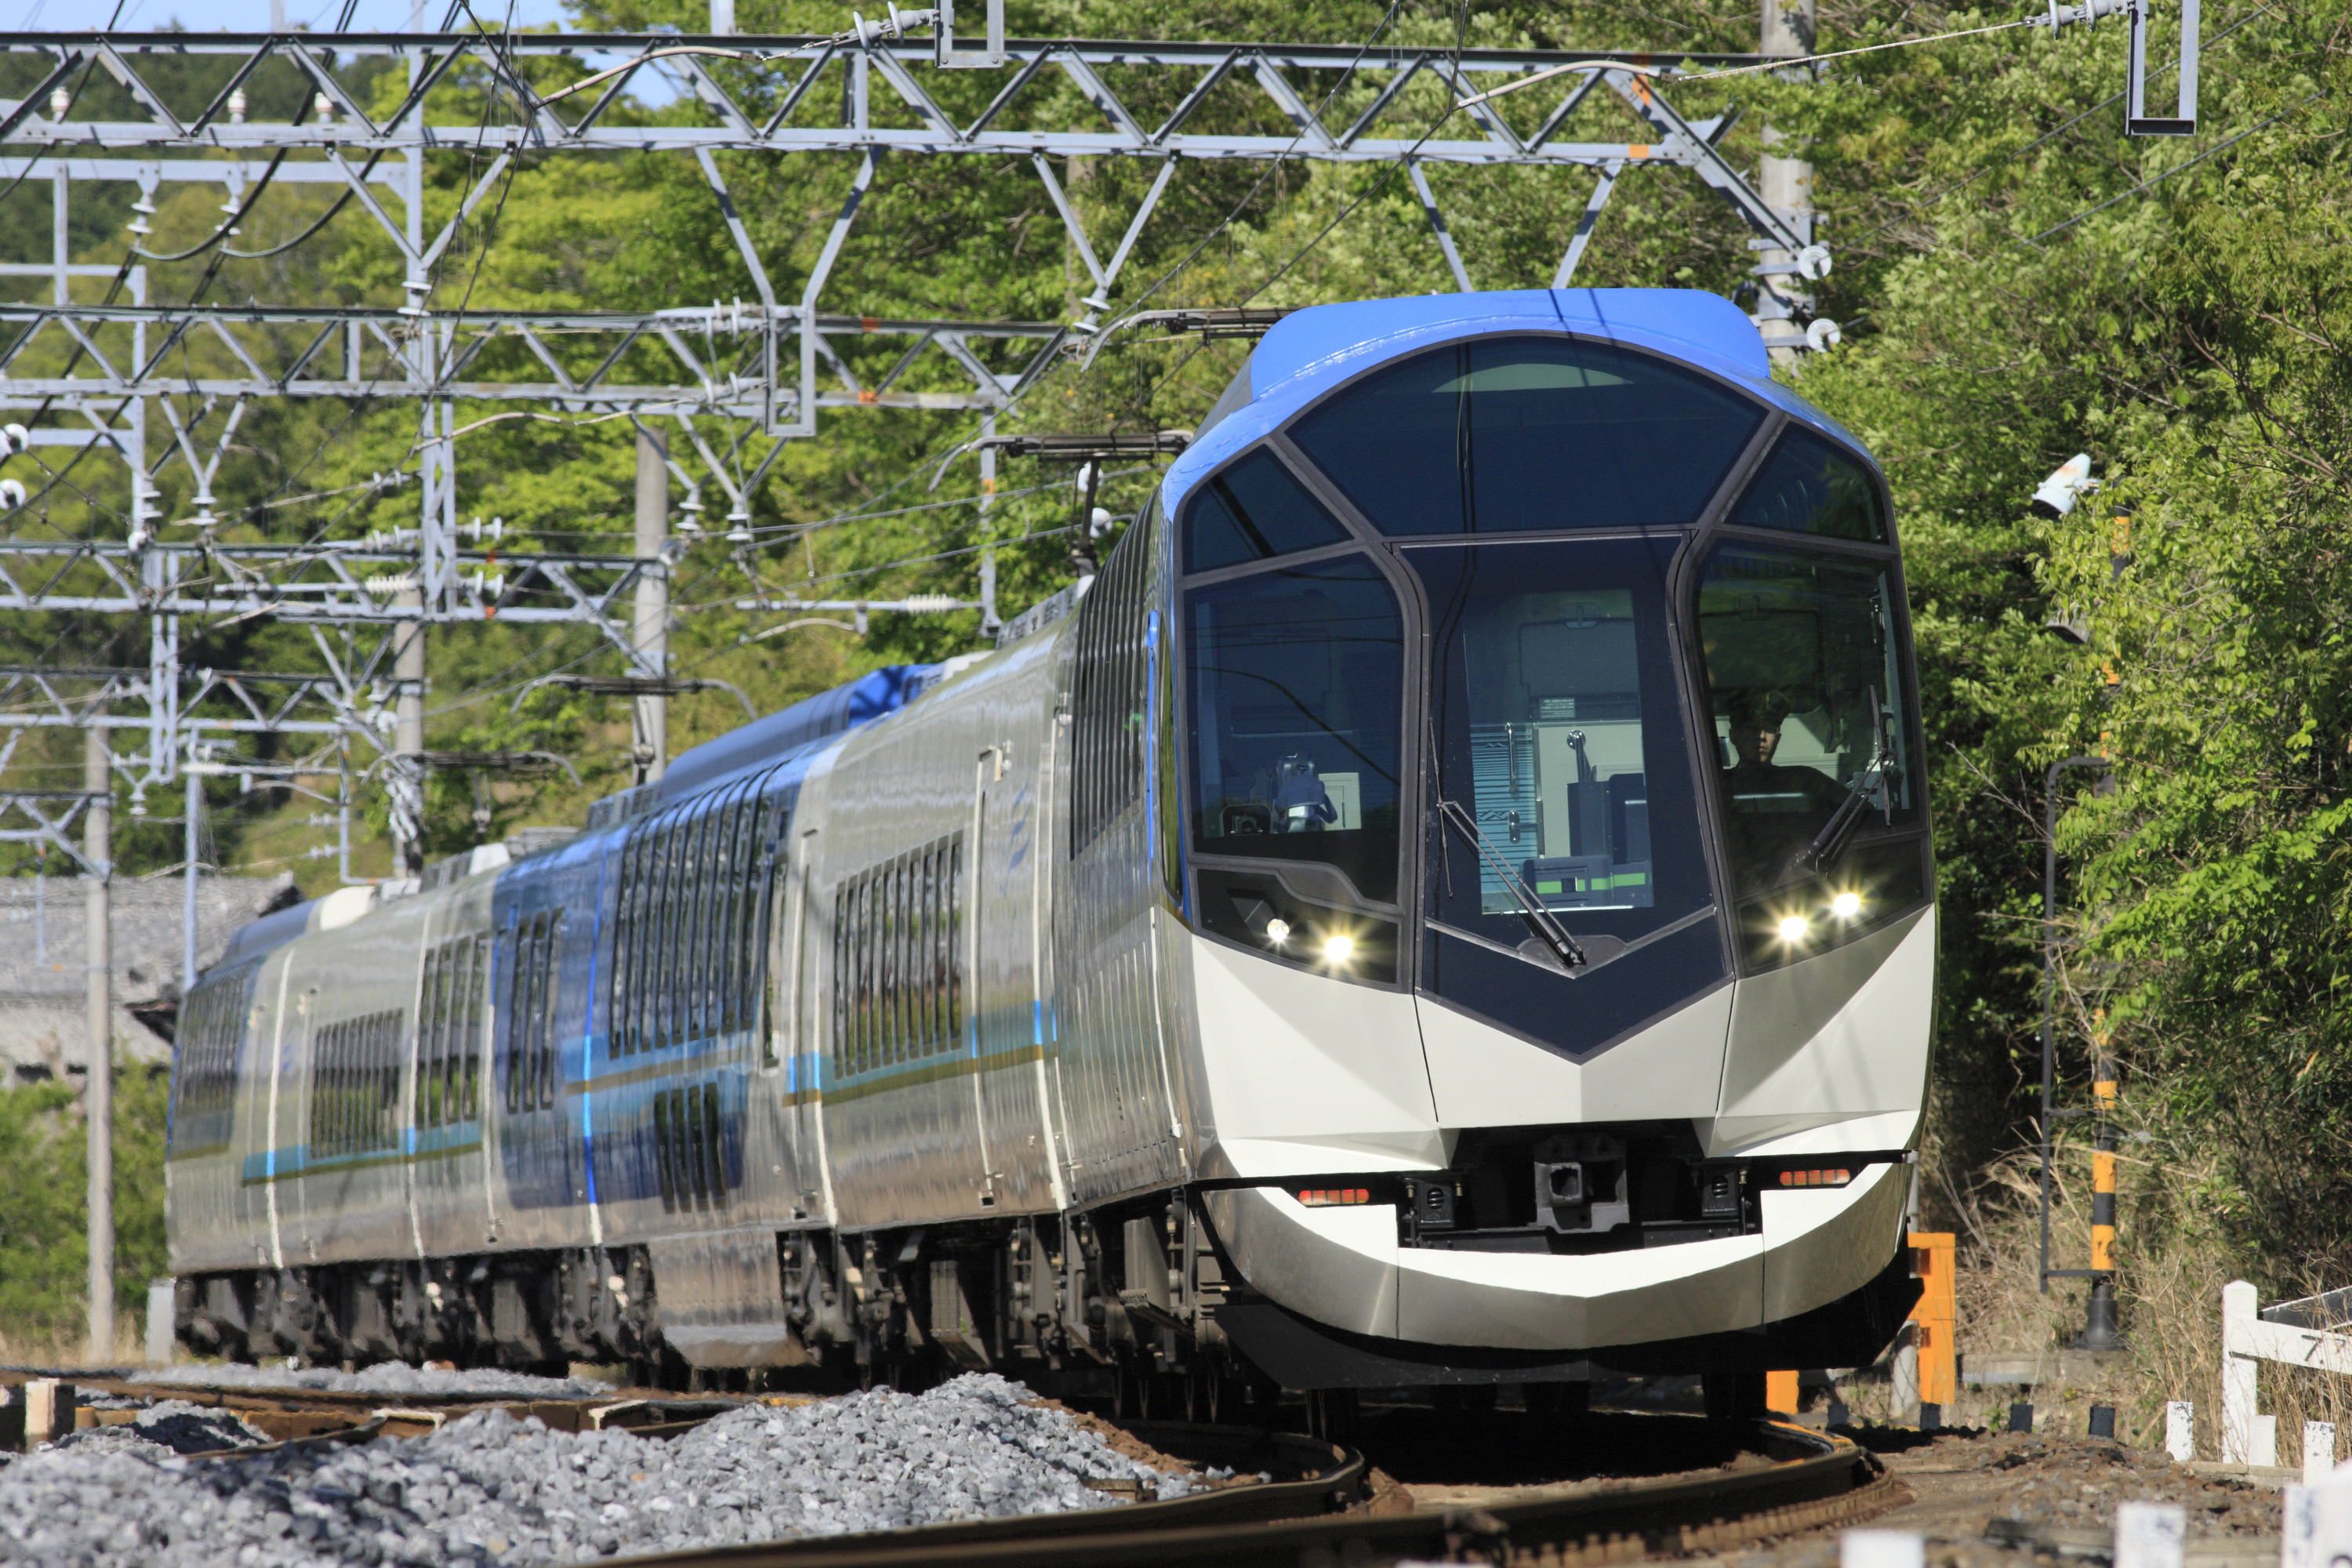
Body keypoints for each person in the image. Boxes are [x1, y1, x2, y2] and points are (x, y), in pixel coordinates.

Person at [1719, 691, 1848, 888]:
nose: (1761, 736)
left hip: (1801, 886)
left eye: (1769, 729)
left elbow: (1854, 813)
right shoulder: (1717, 786)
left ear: (1778, 738)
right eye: (1752, 729)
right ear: (1733, 736)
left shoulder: (1805, 780)